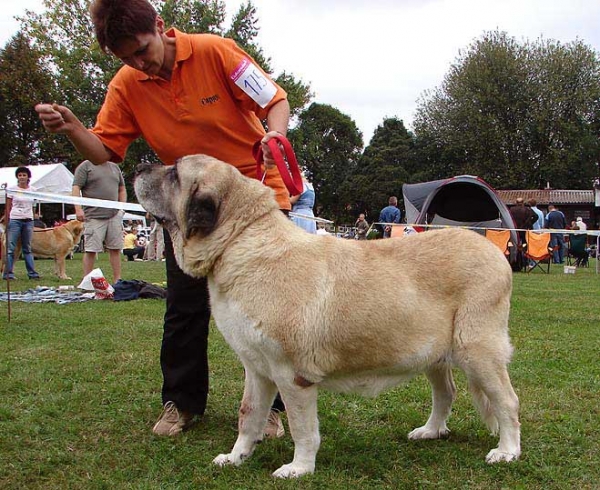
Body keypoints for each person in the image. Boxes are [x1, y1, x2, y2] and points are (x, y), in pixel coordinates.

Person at [36, 0, 290, 438]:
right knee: (184, 307)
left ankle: (271, 409)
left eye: (141, 50)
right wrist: (74, 128)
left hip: (252, 199)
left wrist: (274, 134)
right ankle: (182, 402)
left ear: (160, 26)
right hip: (186, 210)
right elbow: (105, 151)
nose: (138, 63)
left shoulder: (215, 52)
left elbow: (275, 100)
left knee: (267, 312)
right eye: (125, 58)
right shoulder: (127, 84)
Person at [72, 160, 127, 283]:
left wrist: (121, 208)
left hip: (114, 215)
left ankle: (118, 280)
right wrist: (78, 208)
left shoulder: (115, 167)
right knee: (91, 250)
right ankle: (87, 281)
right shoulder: (85, 166)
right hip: (93, 216)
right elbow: (76, 188)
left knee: (115, 248)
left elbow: (122, 189)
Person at [2, 166, 41, 280]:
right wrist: (7, 219)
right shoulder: (12, 189)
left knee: (27, 248)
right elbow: (8, 206)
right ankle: (8, 273)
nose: (22, 177)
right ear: (17, 177)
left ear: (28, 177)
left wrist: (34, 217)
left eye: (24, 175)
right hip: (15, 219)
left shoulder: (33, 190)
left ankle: (32, 273)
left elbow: (34, 205)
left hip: (28, 220)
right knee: (11, 248)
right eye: (20, 175)